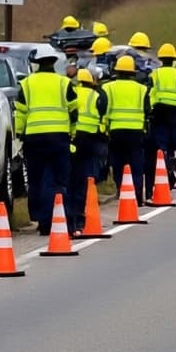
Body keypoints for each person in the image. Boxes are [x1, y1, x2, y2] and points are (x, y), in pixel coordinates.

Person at [14, 48, 77, 234]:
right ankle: (58, 218)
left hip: (34, 138)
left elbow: (20, 112)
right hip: (59, 137)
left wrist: (18, 135)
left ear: (37, 63)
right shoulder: (63, 83)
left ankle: (41, 220)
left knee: (36, 180)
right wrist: (72, 134)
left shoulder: (26, 84)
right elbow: (73, 110)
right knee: (58, 180)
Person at [146, 43, 176, 195]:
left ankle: (165, 166)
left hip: (159, 112)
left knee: (161, 143)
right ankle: (173, 163)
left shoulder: (155, 74)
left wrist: (148, 111)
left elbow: (148, 93)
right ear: (173, 59)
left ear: (160, 59)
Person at [67, 66, 107, 234]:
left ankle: (69, 219)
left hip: (72, 139)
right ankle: (80, 219)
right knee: (84, 181)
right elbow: (102, 118)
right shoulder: (96, 95)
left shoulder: (71, 92)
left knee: (69, 180)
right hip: (89, 141)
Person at [103, 55, 149, 200]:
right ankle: (137, 194)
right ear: (132, 72)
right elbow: (147, 109)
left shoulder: (107, 88)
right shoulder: (141, 89)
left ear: (117, 71)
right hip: (136, 131)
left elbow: (102, 108)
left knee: (118, 163)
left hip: (115, 130)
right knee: (136, 163)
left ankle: (120, 190)